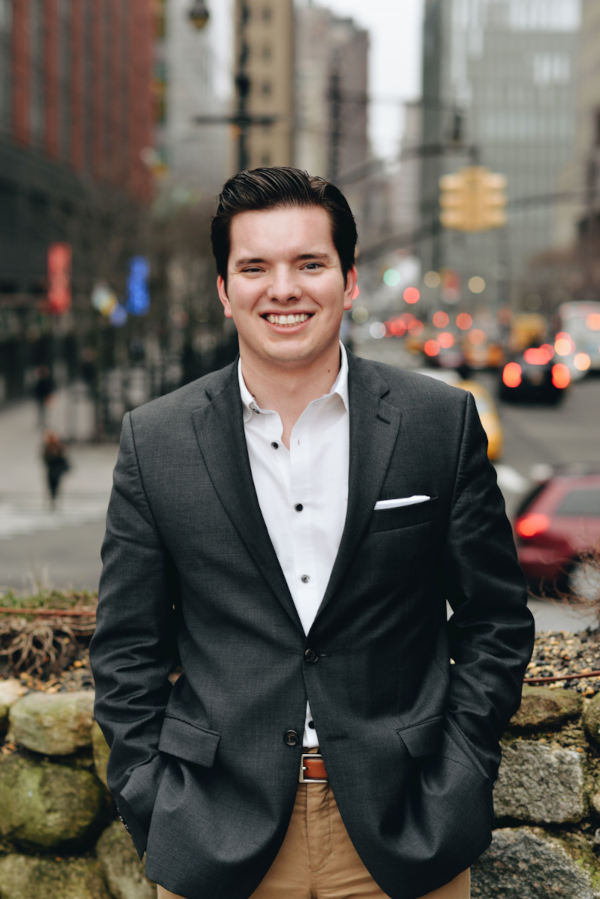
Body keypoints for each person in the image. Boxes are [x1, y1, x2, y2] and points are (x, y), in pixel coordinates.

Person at [90, 167, 534, 899]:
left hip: (403, 835)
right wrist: (153, 795)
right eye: (255, 267)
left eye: (309, 263)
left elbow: (496, 620)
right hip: (217, 838)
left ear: (349, 280)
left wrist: (461, 770)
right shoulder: (156, 440)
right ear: (224, 291)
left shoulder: (436, 423)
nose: (284, 288)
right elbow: (126, 648)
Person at [41, 430, 70, 509]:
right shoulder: (47, 447)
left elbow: (63, 458)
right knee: (51, 485)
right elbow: (44, 458)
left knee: (56, 485)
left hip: (57, 470)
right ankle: (52, 498)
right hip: (51, 469)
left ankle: (54, 498)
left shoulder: (58, 446)